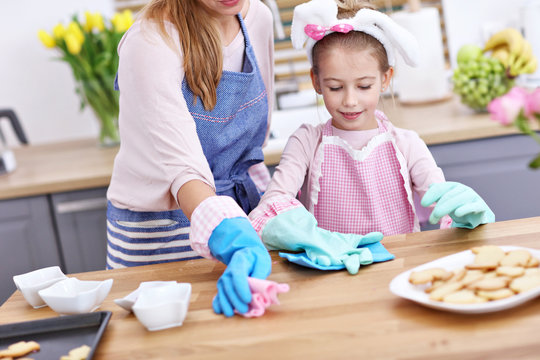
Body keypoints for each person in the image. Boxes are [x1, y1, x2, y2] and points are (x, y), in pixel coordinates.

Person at [248, 0, 495, 274]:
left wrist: (463, 216)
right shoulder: (306, 143)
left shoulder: (407, 144)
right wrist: (288, 228)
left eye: (364, 86)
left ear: (386, 78)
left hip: (400, 270)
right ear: (316, 81)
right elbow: (271, 206)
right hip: (331, 272)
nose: (350, 100)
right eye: (335, 87)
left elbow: (443, 204)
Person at [106, 0, 275, 317]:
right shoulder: (150, 41)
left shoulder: (259, 19)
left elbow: (252, 147)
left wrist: (273, 212)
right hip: (162, 235)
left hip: (239, 221)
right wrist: (234, 237)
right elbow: (185, 173)